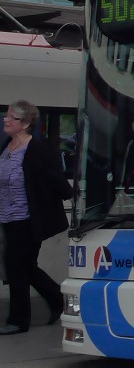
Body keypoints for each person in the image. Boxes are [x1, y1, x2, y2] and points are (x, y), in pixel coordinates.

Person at [0, 100, 70, 334]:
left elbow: (58, 182)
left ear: (26, 124)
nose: (6, 120)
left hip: (28, 220)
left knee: (15, 266)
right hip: (7, 218)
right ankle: (59, 300)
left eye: (12, 118)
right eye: (6, 116)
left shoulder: (38, 149)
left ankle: (18, 321)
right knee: (26, 266)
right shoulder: (5, 148)